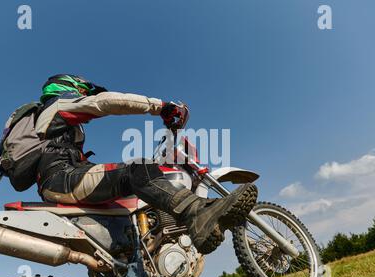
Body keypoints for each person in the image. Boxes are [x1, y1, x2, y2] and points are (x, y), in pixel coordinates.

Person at [35, 74, 257, 254]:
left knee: (127, 205)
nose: (84, 96)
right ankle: (195, 212)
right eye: (83, 92)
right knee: (138, 168)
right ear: (68, 87)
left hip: (61, 180)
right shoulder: (58, 105)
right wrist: (160, 107)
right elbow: (106, 102)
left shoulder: (53, 123)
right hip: (63, 178)